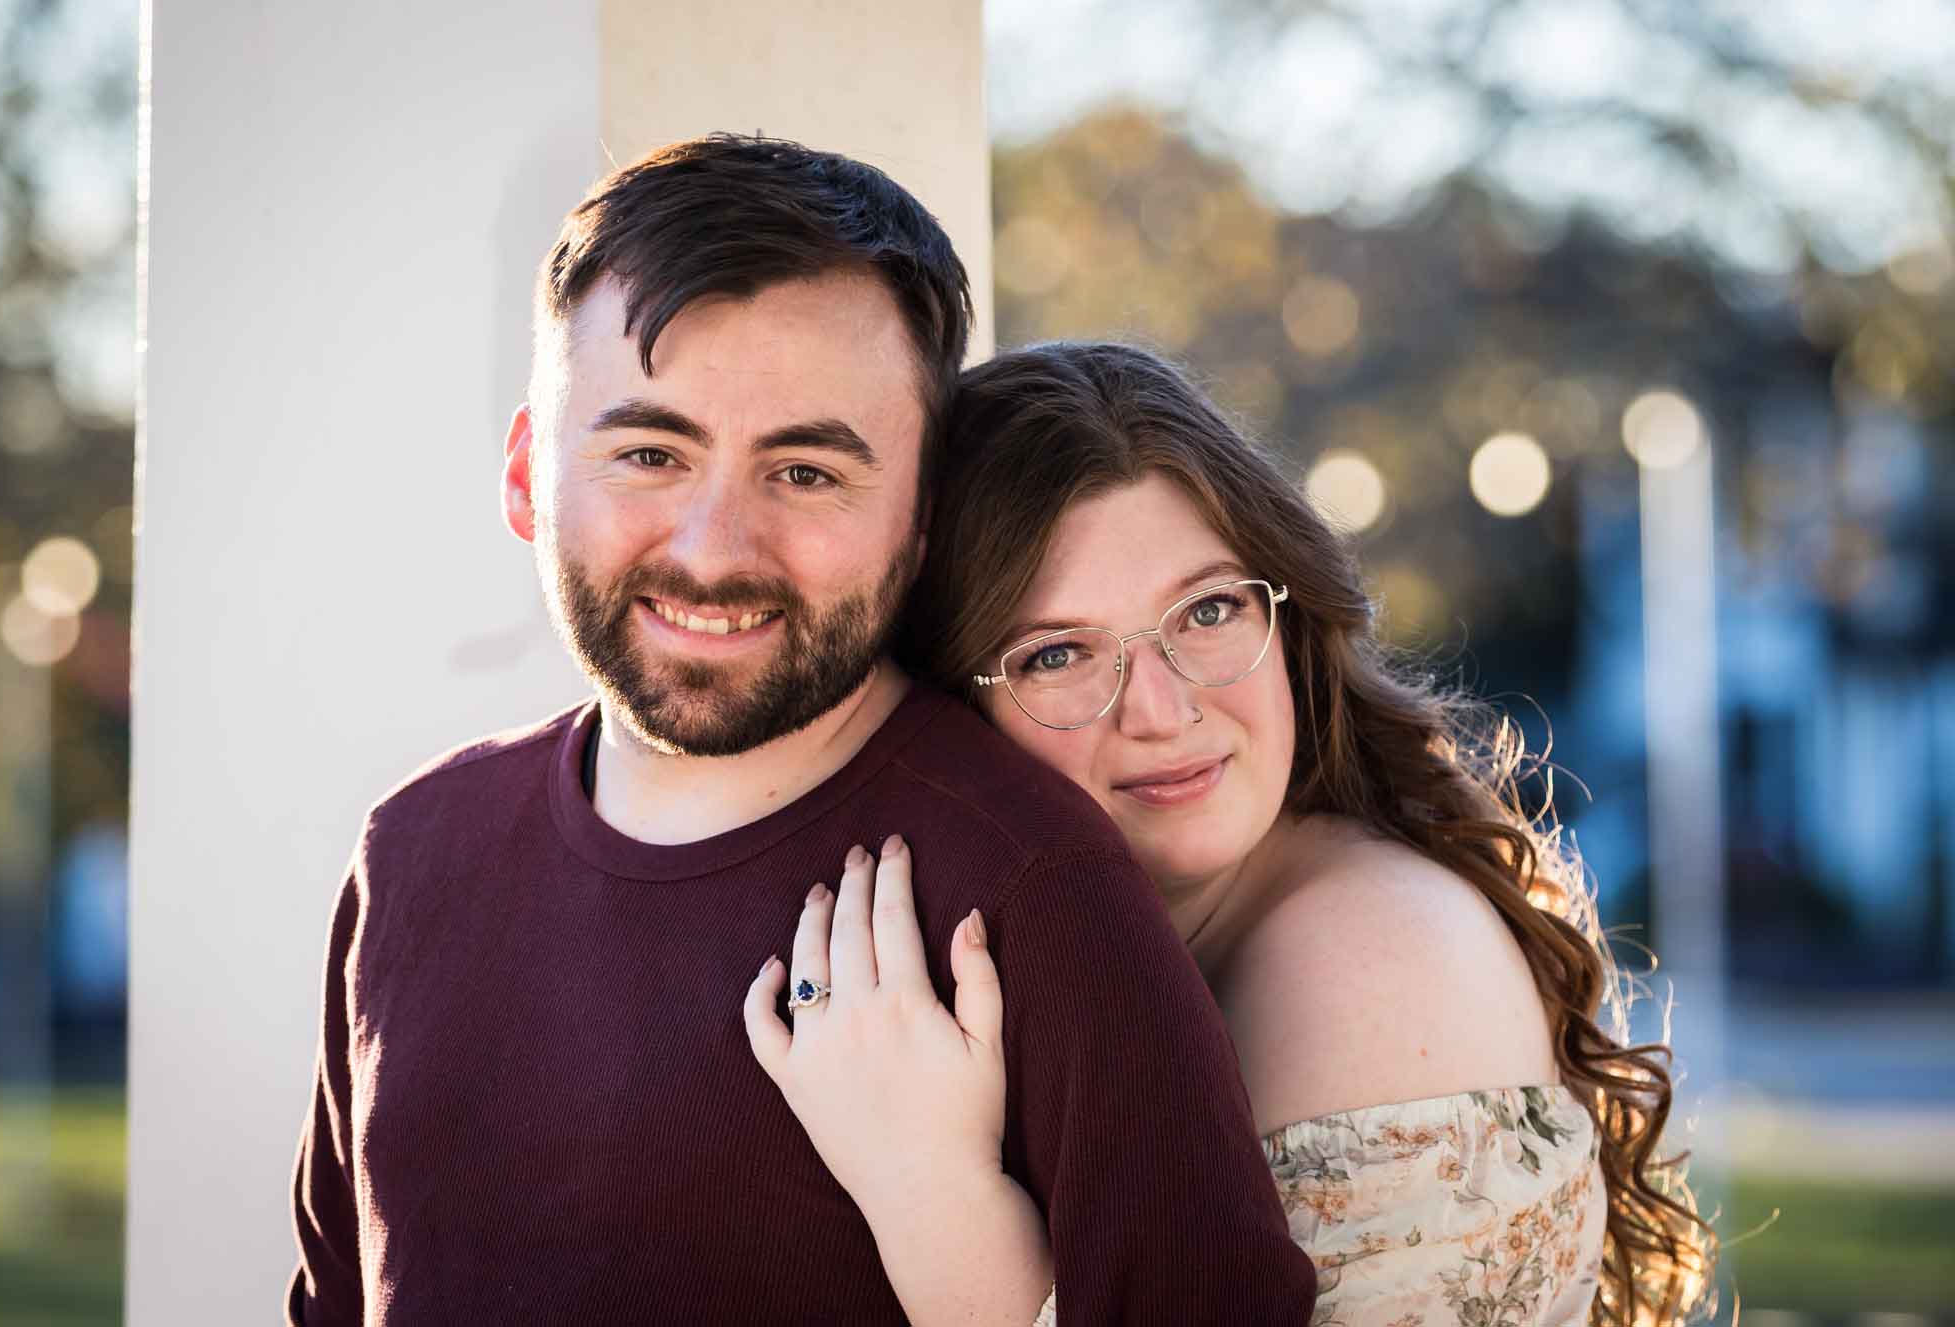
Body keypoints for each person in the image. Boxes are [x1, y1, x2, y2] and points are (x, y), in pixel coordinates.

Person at [285, 140, 1316, 1325]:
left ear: (919, 518)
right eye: (649, 454)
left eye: (807, 472)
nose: (714, 549)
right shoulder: (412, 851)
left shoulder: (1039, 889)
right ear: (527, 475)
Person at [746, 342, 1716, 1325]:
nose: (1163, 709)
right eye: (1057, 654)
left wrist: (929, 1191)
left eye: (1207, 609)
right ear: (951, 707)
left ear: (1284, 615)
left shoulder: (1365, 958)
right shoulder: (1098, 952)